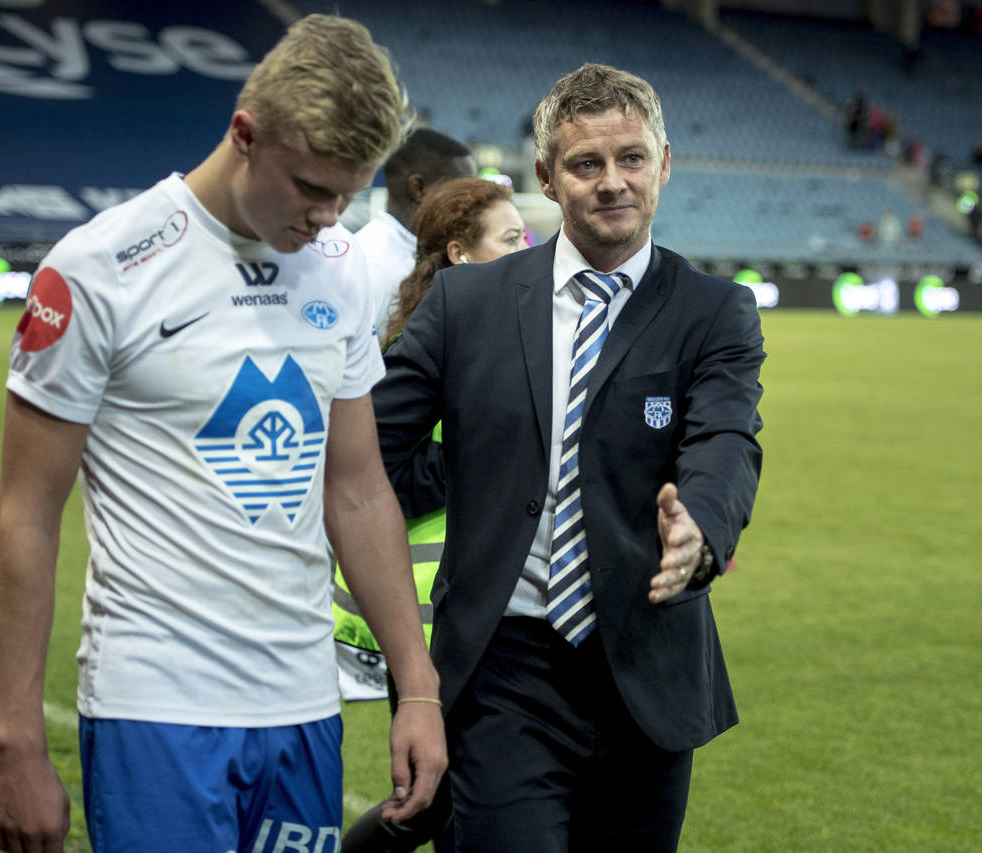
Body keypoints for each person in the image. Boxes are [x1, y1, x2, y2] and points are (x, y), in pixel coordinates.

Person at [0, 15, 444, 853]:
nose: (327, 215)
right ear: (244, 134)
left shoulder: (338, 267)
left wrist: (416, 687)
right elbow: (27, 513)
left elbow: (357, 488)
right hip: (154, 707)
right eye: (310, 187)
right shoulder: (96, 270)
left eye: (348, 192)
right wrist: (16, 738)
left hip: (302, 705)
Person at [373, 63, 766, 852]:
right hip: (502, 667)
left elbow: (725, 439)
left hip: (648, 664)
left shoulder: (715, 310)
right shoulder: (467, 302)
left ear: (665, 162)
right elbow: (374, 453)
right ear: (547, 179)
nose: (612, 182)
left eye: (631, 158)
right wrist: (473, 469)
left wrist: (702, 527)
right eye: (586, 164)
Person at [337, 176, 527, 853]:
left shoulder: (521, 330)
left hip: (490, 604)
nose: (527, 248)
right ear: (459, 254)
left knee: (447, 799)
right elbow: (371, 475)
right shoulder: (427, 338)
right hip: (428, 611)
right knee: (434, 798)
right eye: (510, 239)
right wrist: (477, 455)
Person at [355, 128, 476, 345]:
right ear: (419, 188)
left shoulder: (425, 251)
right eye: (462, 191)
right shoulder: (371, 265)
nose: (474, 203)